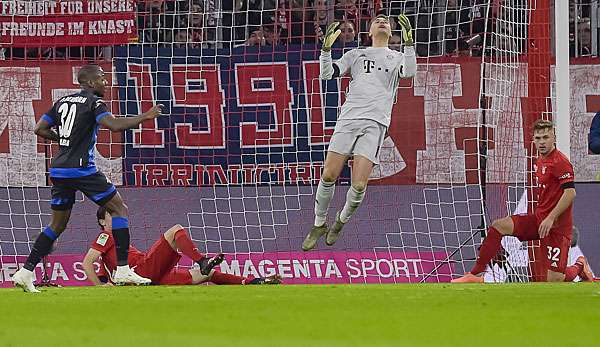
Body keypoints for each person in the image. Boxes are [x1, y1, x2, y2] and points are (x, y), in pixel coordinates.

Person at [12, 64, 163, 293]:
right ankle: (122, 269)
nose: (106, 82)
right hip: (82, 169)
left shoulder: (62, 102)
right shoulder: (94, 102)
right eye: (102, 78)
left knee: (57, 224)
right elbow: (113, 126)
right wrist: (146, 116)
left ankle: (25, 272)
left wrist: (63, 140)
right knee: (119, 209)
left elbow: (39, 128)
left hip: (59, 170)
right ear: (90, 83)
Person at [302, 14, 417, 251]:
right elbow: (327, 74)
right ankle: (318, 224)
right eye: (377, 20)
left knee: (359, 185)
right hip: (348, 119)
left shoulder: (397, 57)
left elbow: (409, 72)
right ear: (370, 32)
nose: (383, 21)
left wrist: (409, 45)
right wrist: (325, 50)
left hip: (375, 124)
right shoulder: (356, 54)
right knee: (329, 175)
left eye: (386, 20)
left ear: (391, 30)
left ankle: (340, 221)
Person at [453, 119, 594, 283]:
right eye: (538, 138)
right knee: (498, 226)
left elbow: (570, 193)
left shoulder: (561, 162)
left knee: (555, 280)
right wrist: (544, 217)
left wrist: (551, 218)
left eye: (546, 137)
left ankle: (579, 266)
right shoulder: (540, 160)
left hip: (557, 227)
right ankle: (474, 274)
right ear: (533, 139)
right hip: (539, 220)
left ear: (554, 137)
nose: (542, 142)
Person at [83, 207, 282, 286]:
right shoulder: (106, 235)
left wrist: (104, 280)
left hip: (149, 277)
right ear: (102, 221)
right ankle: (201, 260)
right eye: (112, 215)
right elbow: (87, 263)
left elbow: (104, 269)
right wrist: (101, 287)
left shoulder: (116, 241)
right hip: (141, 270)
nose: (118, 218)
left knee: (207, 275)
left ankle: (255, 282)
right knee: (175, 230)